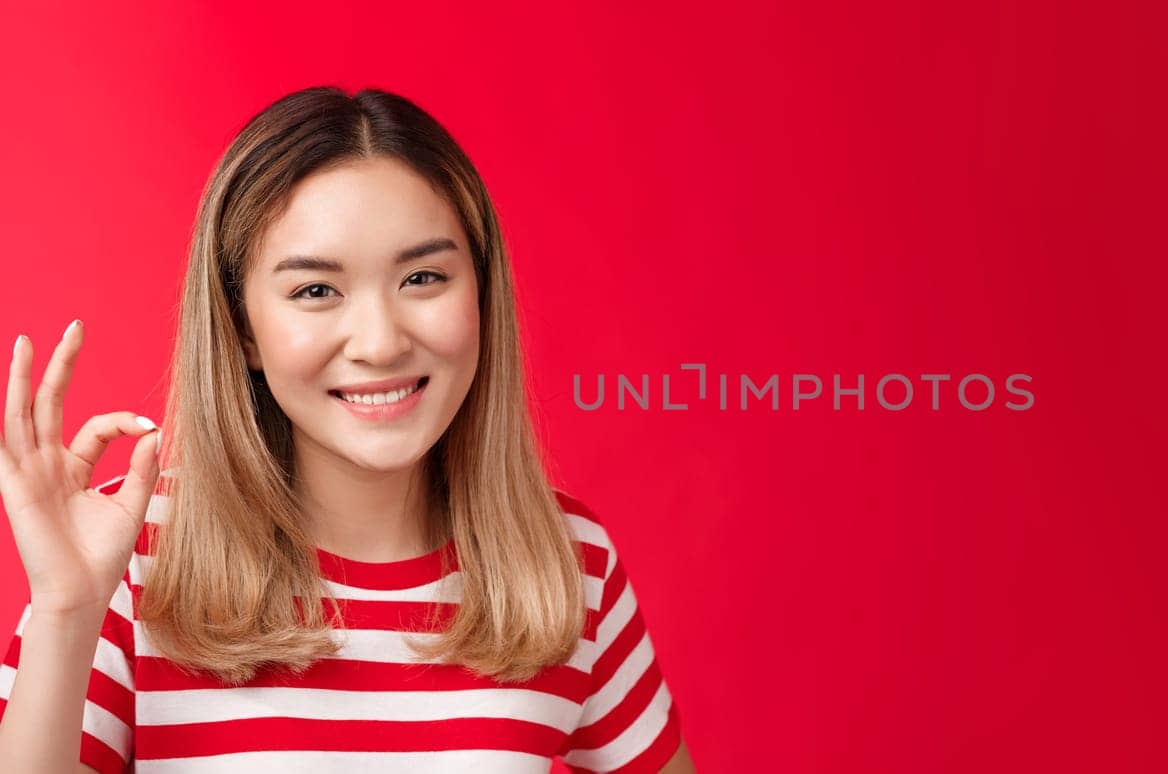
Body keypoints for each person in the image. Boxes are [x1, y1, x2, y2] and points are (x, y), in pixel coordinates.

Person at [0, 86, 694, 773]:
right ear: (243, 330)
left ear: (482, 295)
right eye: (315, 291)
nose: (380, 342)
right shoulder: (124, 553)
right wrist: (66, 610)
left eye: (424, 277)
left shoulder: (570, 565)